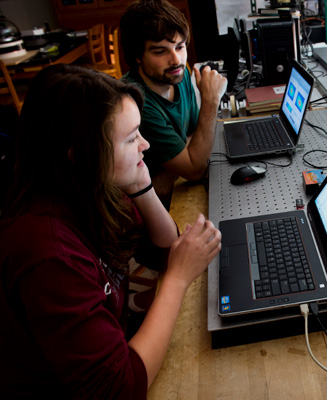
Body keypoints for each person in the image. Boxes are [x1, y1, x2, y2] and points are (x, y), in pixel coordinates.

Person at [0, 64, 221, 399]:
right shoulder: (48, 255)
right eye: (131, 138)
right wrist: (177, 279)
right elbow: (121, 388)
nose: (145, 144)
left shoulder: (87, 189)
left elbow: (160, 251)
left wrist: (143, 186)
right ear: (80, 156)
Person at [120, 0, 227, 209]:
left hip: (173, 187)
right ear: (137, 56)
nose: (176, 59)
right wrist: (211, 100)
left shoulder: (178, 73)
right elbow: (195, 169)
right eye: (160, 52)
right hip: (148, 210)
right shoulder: (135, 102)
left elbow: (195, 135)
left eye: (180, 46)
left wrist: (177, 162)